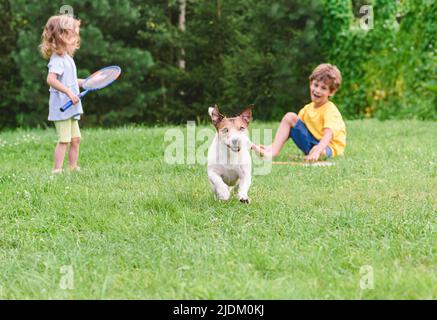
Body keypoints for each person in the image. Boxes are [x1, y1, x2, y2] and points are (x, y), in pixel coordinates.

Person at [252, 63, 346, 162]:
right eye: (316, 85)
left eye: (323, 88)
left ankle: (315, 154)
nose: (317, 90)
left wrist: (317, 151)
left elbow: (328, 135)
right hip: (311, 143)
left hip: (328, 147)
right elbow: (296, 129)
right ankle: (272, 151)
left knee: (320, 151)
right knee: (290, 117)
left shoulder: (330, 110)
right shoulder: (306, 109)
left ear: (331, 92)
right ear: (310, 84)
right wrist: (271, 146)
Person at [39, 14, 84, 174]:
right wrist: (69, 92)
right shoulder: (57, 59)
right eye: (73, 34)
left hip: (71, 105)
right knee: (64, 140)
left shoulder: (67, 58)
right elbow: (51, 79)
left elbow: (70, 80)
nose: (76, 38)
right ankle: (57, 170)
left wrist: (85, 82)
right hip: (62, 106)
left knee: (75, 139)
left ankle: (72, 167)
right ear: (62, 36)